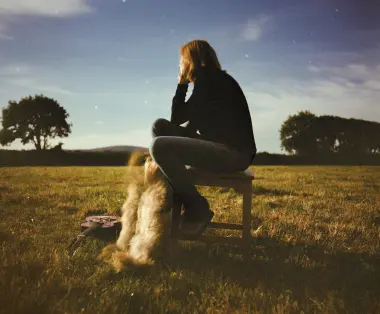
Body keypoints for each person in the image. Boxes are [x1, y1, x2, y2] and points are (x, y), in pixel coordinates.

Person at [149, 39, 256, 236]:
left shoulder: (210, 79)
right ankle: (172, 196)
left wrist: (182, 83)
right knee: (160, 126)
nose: (179, 65)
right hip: (222, 148)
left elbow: (185, 124)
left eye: (181, 60)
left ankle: (196, 207)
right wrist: (182, 84)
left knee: (159, 146)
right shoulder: (208, 80)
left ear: (191, 60)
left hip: (233, 154)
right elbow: (177, 119)